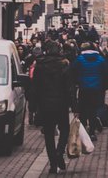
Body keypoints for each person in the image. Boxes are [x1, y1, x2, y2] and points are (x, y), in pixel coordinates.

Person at [34, 40, 76, 174]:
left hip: (45, 104)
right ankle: (59, 153)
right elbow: (70, 88)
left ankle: (53, 163)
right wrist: (74, 106)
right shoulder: (64, 64)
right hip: (61, 104)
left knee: (49, 134)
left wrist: (35, 106)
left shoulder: (40, 65)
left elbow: (35, 86)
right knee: (64, 129)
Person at [73, 42, 107, 140]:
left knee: (83, 110)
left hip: (83, 89)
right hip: (96, 89)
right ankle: (92, 132)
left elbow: (73, 72)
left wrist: (77, 83)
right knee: (93, 111)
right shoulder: (101, 59)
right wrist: (103, 87)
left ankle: (83, 133)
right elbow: (106, 74)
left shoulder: (79, 59)